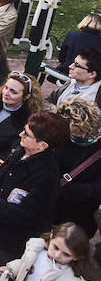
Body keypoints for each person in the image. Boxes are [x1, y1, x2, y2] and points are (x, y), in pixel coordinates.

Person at [0, 111, 69, 264]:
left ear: (43, 145)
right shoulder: (22, 151)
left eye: (27, 134)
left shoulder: (46, 175)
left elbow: (29, 215)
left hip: (10, 243)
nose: (20, 134)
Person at [52, 99, 101, 237]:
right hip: (49, 210)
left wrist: (66, 189)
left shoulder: (97, 149)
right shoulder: (61, 138)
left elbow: (97, 190)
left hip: (78, 219)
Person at [0, 71, 44, 165]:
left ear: (26, 97)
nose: (6, 93)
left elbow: (15, 149)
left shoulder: (27, 120)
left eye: (13, 92)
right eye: (6, 88)